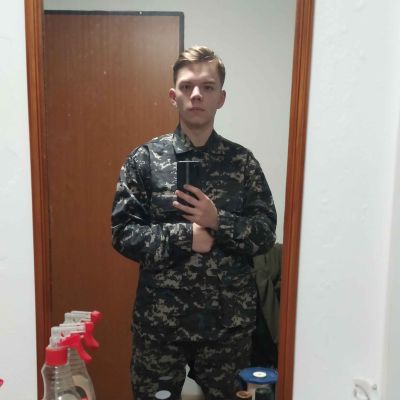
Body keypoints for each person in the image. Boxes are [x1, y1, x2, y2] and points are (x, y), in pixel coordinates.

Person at [111, 46, 277, 400]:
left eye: (207, 86)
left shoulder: (243, 163)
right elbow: (123, 233)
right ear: (174, 96)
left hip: (227, 328)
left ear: (221, 98)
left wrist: (219, 221)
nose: (197, 94)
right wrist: (185, 236)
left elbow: (265, 234)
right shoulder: (144, 160)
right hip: (160, 326)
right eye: (187, 86)